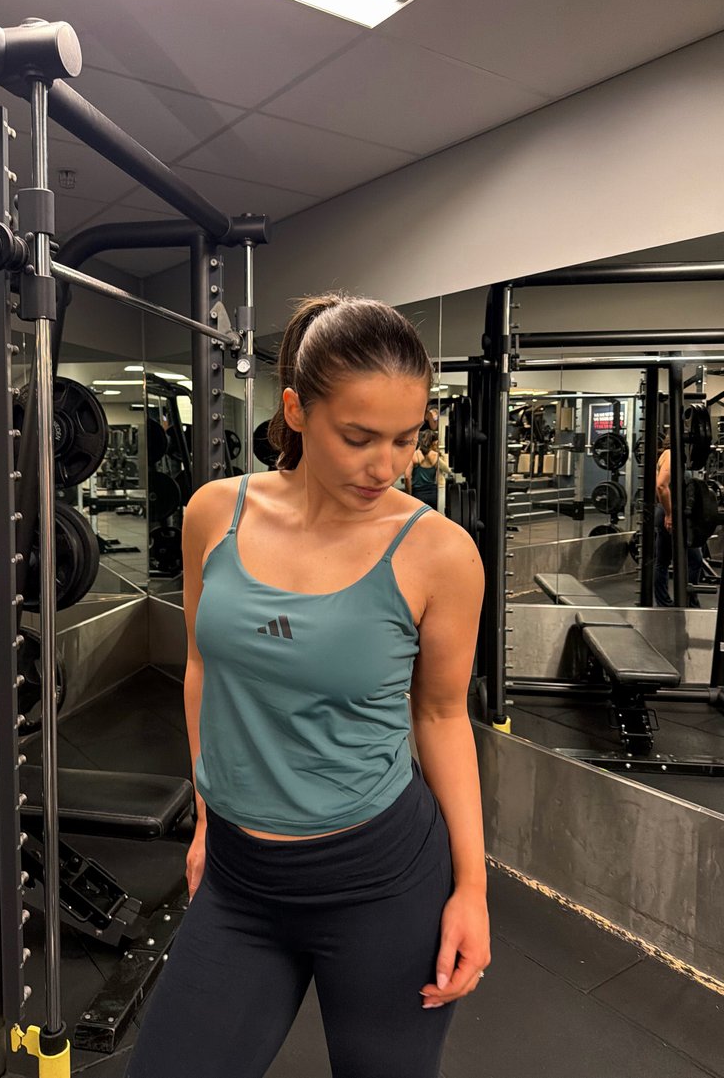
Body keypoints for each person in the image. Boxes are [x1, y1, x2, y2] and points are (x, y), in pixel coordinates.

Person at [127, 293, 489, 1078]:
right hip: (238, 879)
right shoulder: (212, 515)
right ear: (294, 408)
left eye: (405, 438)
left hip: (383, 880)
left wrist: (472, 887)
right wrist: (203, 817)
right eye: (358, 436)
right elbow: (201, 669)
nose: (386, 465)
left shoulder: (441, 554)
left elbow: (441, 715)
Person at [654, 433, 703, 607]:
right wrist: (669, 514)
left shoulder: (669, 455)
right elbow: (661, 485)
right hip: (671, 514)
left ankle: (665, 603)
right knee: (695, 560)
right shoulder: (670, 455)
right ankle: (687, 601)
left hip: (669, 512)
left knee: (662, 561)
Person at [405, 429, 452, 509]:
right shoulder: (435, 456)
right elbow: (440, 476)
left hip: (418, 495)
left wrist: (409, 496)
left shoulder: (414, 455)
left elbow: (407, 477)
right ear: (432, 442)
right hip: (433, 495)